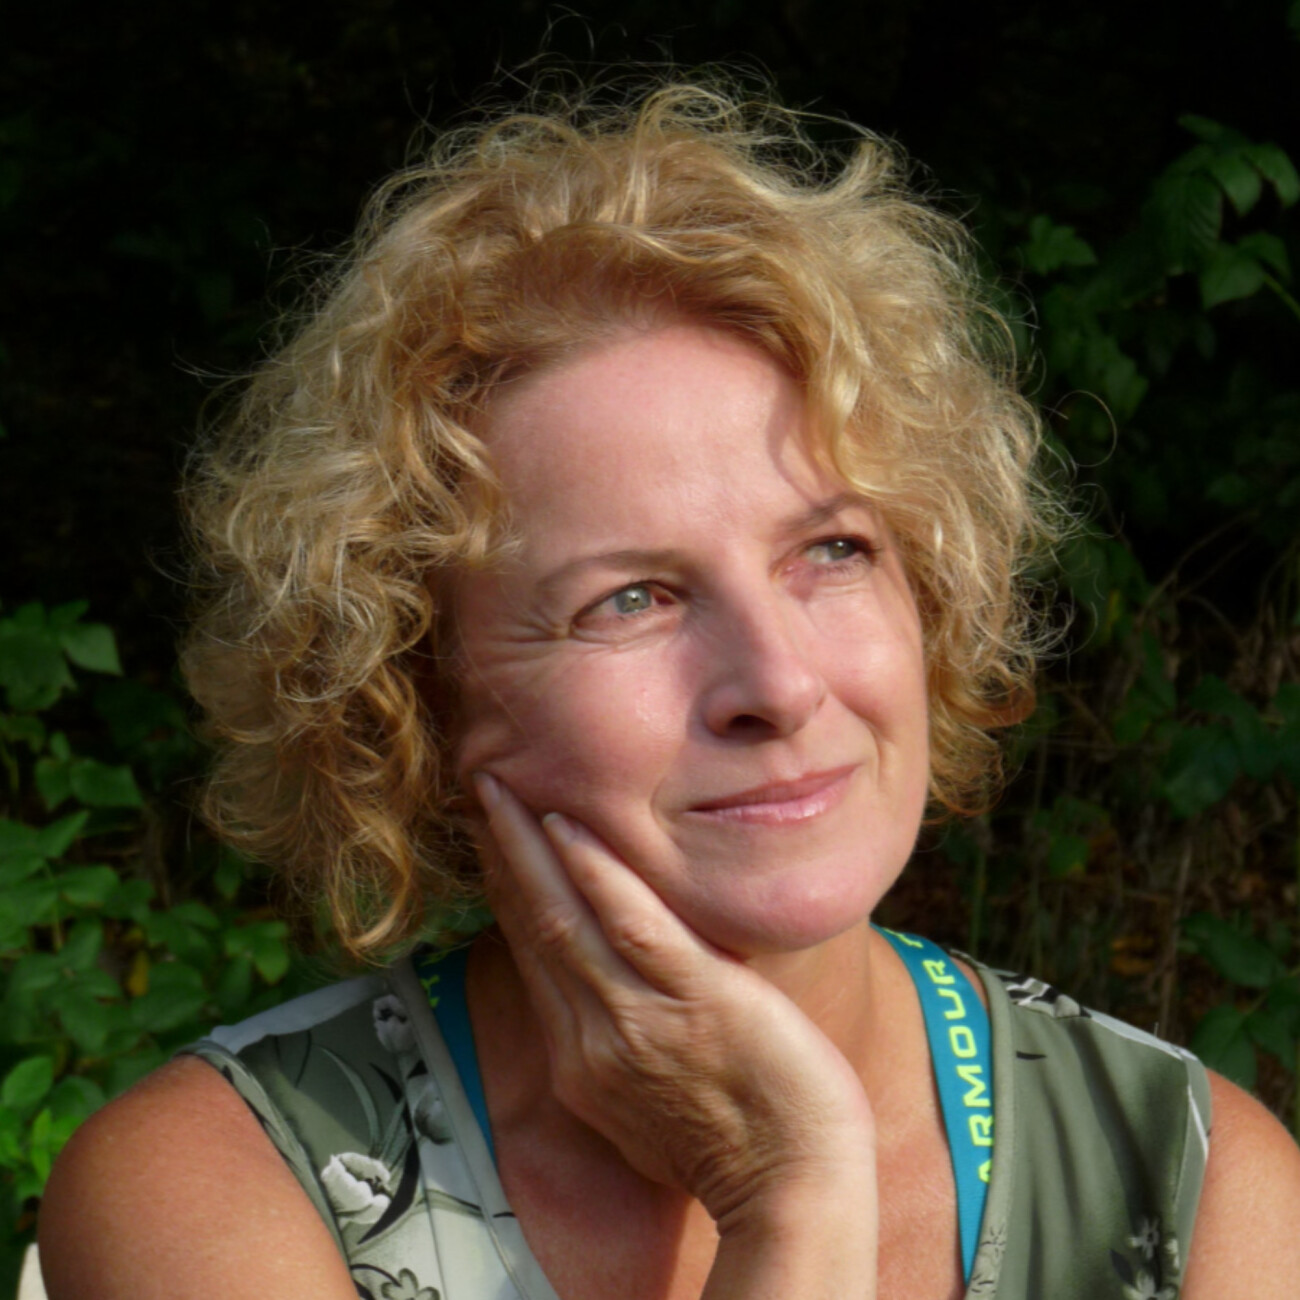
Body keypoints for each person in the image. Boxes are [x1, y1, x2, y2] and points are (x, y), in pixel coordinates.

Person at [37, 81, 1300, 1300]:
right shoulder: (220, 1189)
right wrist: (792, 1199)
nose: (777, 683)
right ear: (412, 699)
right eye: (630, 598)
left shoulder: (1198, 1188)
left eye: (832, 550)